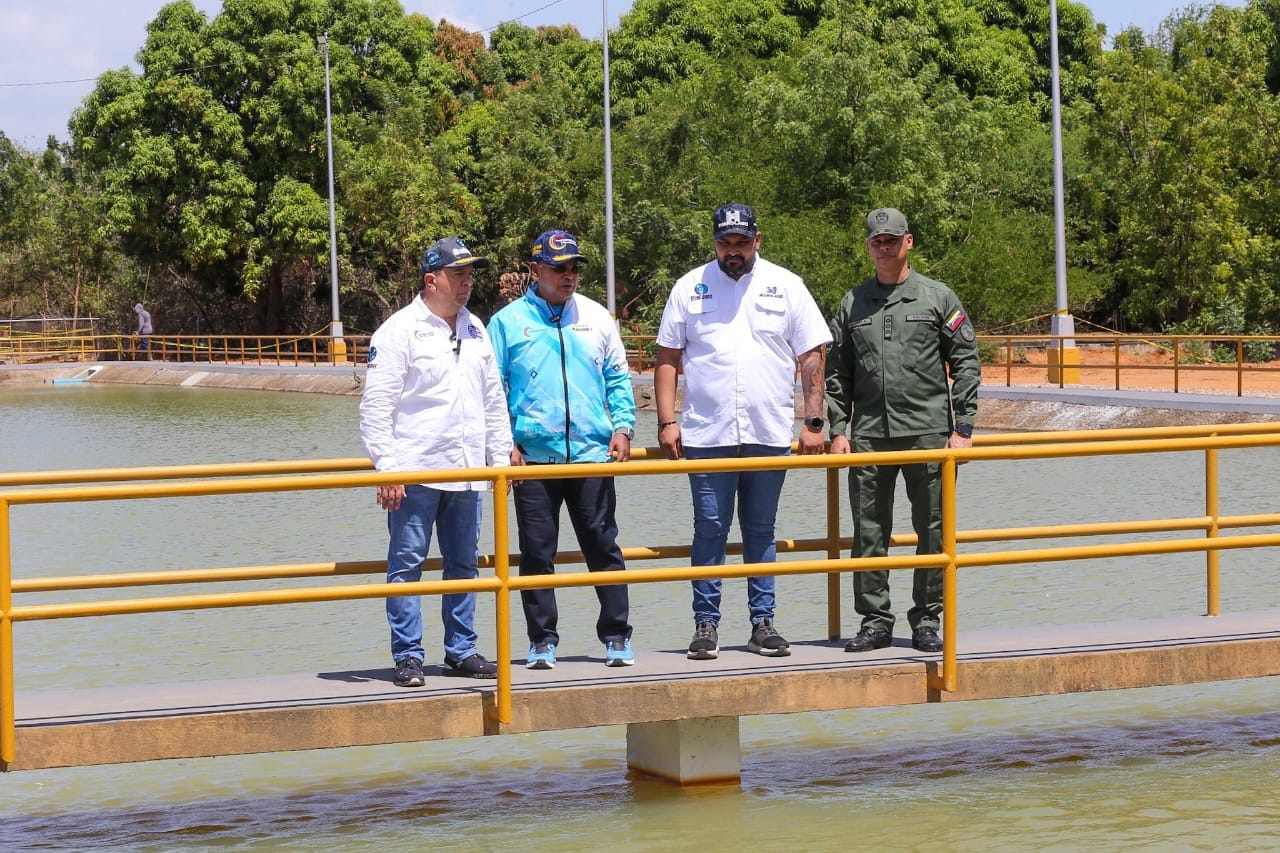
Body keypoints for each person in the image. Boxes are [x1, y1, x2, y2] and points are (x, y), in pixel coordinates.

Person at [654, 203, 831, 660]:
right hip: (706, 434)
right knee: (710, 528)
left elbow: (811, 355)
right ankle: (705, 624)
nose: (733, 250)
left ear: (757, 240)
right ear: (714, 242)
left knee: (760, 530)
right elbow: (668, 357)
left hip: (767, 432)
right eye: (724, 242)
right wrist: (667, 421)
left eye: (741, 242)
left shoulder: (786, 285)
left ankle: (763, 623)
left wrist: (814, 422)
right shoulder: (689, 287)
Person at [359, 236, 513, 687]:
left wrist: (500, 460)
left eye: (470, 274)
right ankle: (408, 656)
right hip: (416, 472)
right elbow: (376, 407)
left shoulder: (475, 328)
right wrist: (387, 469)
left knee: (464, 564)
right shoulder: (398, 331)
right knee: (407, 565)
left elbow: (493, 399)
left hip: (469, 471)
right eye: (458, 274)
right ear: (431, 280)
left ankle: (461, 650)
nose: (467, 282)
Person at [825, 208, 981, 654]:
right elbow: (837, 373)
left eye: (892, 240)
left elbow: (966, 361)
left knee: (933, 531)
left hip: (928, 433)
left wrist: (963, 427)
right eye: (877, 241)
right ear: (868, 247)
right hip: (869, 435)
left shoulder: (937, 297)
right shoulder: (852, 303)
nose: (884, 248)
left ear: (908, 242)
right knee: (868, 532)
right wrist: (839, 429)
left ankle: (927, 621)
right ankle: (874, 621)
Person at [488, 229, 637, 670]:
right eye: (558, 268)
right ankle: (542, 641)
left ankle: (616, 636)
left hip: (592, 456)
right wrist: (504, 443)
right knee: (537, 554)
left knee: (603, 547)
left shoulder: (597, 317)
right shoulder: (507, 323)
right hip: (534, 460)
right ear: (536, 270)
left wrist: (623, 426)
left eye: (574, 267)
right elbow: (491, 390)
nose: (568, 275)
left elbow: (618, 377)